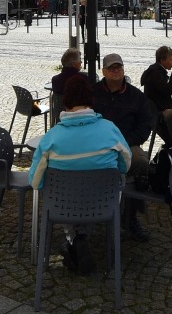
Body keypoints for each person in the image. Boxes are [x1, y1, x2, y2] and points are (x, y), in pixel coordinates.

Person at [29, 74, 132, 273]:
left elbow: (35, 182)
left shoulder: (51, 138)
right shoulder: (110, 130)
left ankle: (75, 238)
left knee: (67, 195)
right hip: (104, 202)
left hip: (63, 204)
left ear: (65, 101)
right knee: (93, 190)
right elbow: (125, 165)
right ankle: (80, 237)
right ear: (91, 100)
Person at [92, 51, 156, 242]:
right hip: (97, 144)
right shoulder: (93, 92)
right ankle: (84, 212)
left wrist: (126, 142)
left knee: (142, 164)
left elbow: (146, 125)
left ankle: (130, 216)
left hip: (127, 143)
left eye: (119, 66)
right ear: (103, 71)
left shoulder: (136, 96)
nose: (116, 70)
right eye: (112, 67)